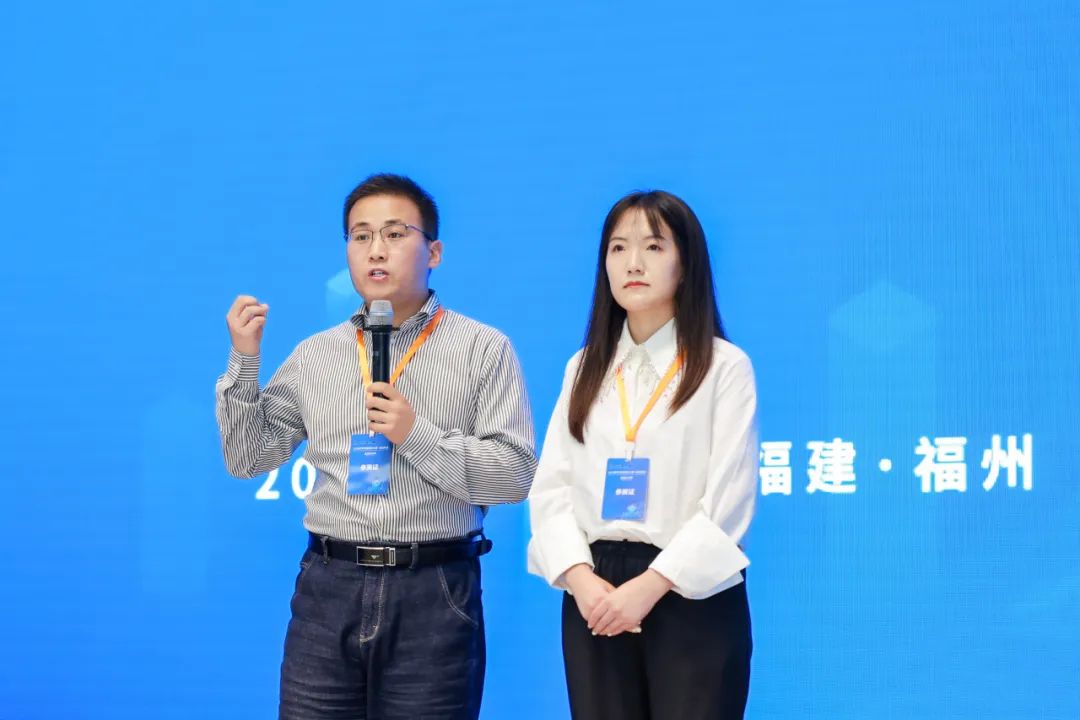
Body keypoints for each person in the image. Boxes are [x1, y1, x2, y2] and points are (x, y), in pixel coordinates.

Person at [215, 173, 537, 719]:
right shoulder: (316, 354)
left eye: (394, 233)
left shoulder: (483, 349)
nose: (376, 250)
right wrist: (245, 359)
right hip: (328, 589)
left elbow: (513, 475)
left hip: (434, 591)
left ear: (434, 251)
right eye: (360, 236)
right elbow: (249, 458)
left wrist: (415, 435)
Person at [527, 190, 758, 720]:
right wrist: (582, 581)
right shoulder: (583, 367)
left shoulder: (724, 367)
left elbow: (729, 502)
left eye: (653, 247)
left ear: (686, 263)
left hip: (690, 591)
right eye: (618, 248)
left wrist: (650, 588)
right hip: (596, 592)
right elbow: (552, 489)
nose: (633, 263)